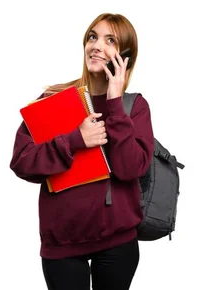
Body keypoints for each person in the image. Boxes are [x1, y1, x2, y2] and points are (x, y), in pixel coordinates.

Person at [9, 13, 154, 290]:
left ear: (125, 56)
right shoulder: (53, 99)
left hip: (117, 242)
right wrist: (74, 140)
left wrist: (114, 102)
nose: (97, 45)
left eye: (110, 40)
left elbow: (130, 169)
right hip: (62, 244)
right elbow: (21, 162)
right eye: (92, 37)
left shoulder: (134, 107)